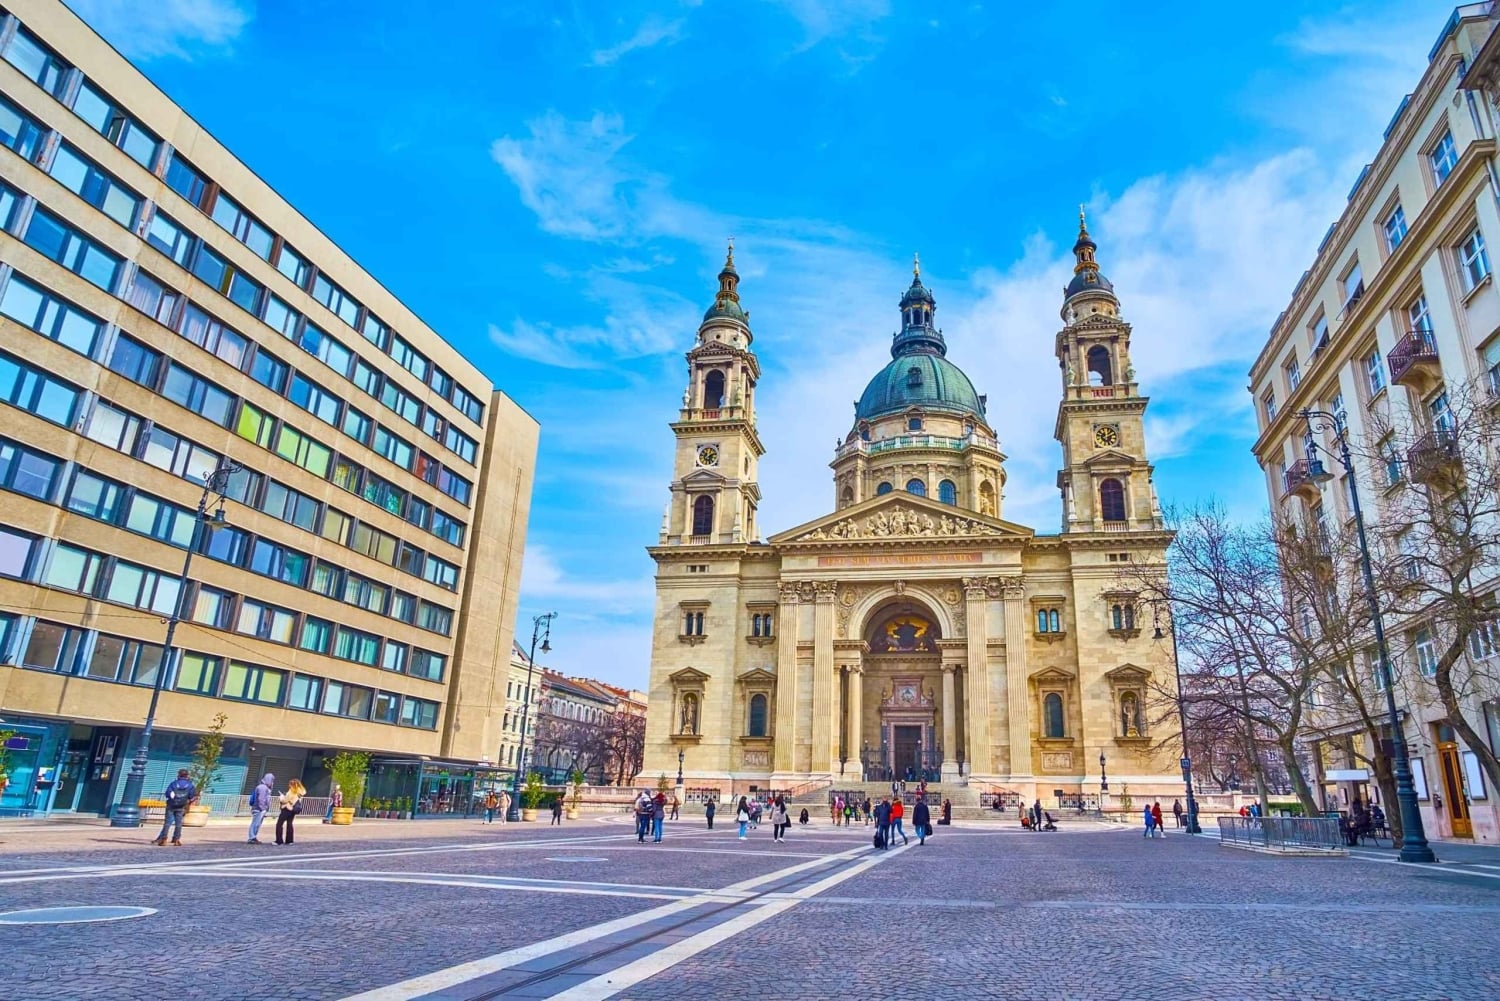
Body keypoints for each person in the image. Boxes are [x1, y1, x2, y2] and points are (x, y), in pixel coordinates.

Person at [153, 769, 196, 846]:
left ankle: (163, 839)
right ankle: (176, 840)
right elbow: (191, 796)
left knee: (167, 823)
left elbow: (167, 793)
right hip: (181, 806)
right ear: (187, 775)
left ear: (179, 775)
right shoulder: (190, 785)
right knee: (178, 824)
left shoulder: (174, 783)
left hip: (171, 805)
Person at [247, 772, 274, 844]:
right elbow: (261, 799)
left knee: (256, 823)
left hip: (258, 808)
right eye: (272, 780)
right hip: (259, 809)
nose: (272, 783)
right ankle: (252, 838)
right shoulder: (263, 787)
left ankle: (253, 837)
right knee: (256, 823)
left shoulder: (263, 787)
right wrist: (263, 808)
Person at [276, 779, 305, 846]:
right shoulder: (300, 792)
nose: (288, 785)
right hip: (293, 810)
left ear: (292, 785)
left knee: (279, 824)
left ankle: (279, 841)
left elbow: (285, 800)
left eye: (289, 784)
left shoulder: (291, 792)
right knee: (289, 824)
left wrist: (281, 797)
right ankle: (289, 840)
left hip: (287, 808)